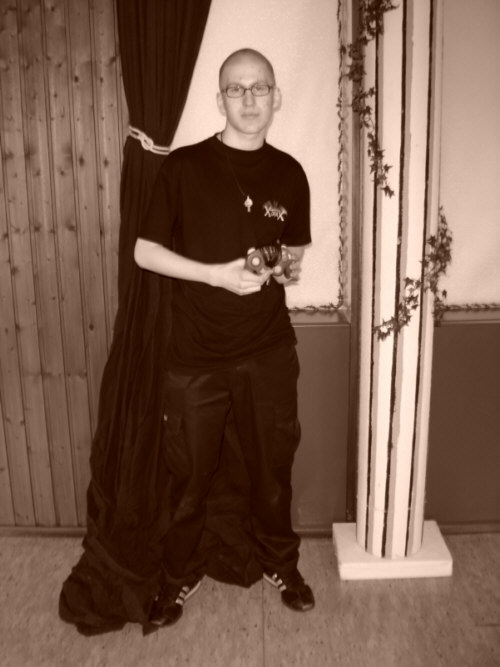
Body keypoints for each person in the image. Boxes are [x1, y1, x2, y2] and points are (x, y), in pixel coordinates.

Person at [134, 47, 314, 627]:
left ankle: (281, 563)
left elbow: (295, 250)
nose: (249, 99)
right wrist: (215, 274)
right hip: (196, 356)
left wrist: (283, 267)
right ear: (220, 99)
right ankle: (176, 577)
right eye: (237, 89)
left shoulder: (291, 173)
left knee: (273, 471)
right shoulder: (184, 167)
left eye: (260, 87)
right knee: (189, 479)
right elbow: (144, 252)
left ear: (276, 96)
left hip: (269, 350)